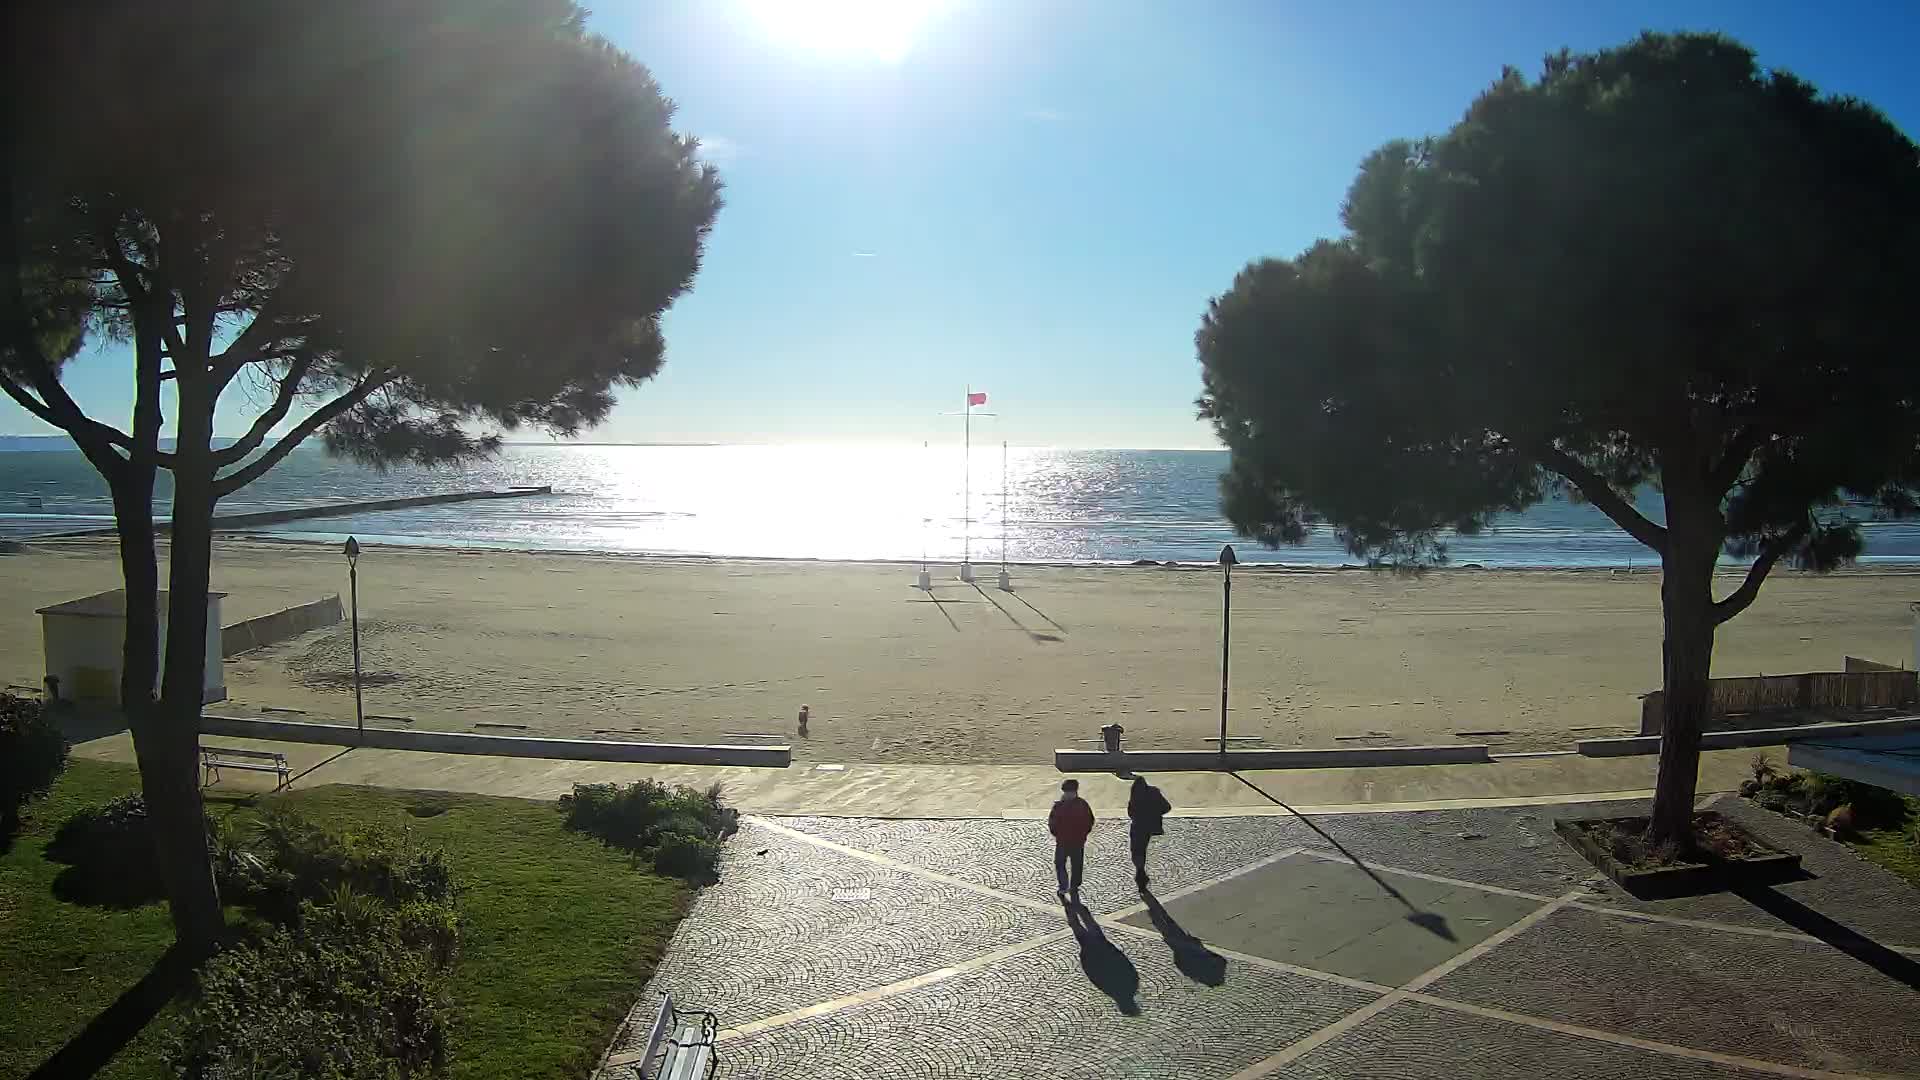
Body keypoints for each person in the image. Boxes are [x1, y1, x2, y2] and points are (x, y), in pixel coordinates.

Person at [1047, 778, 1095, 901]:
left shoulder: (1073, 805)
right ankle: (1066, 885)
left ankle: (1072, 885)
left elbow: (1089, 822)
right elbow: (1052, 823)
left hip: (1073, 841)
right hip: (1066, 841)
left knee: (1075, 864)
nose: (1067, 794)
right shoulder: (1072, 805)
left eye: (1069, 792)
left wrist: (1082, 834)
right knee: (1062, 863)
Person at [1126, 775, 1171, 888]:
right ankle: (1141, 873)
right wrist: (1155, 814)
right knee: (1141, 849)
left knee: (1137, 850)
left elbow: (1130, 812)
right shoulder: (1154, 792)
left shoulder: (1135, 795)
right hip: (1149, 826)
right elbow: (1166, 807)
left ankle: (1140, 872)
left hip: (1138, 826)